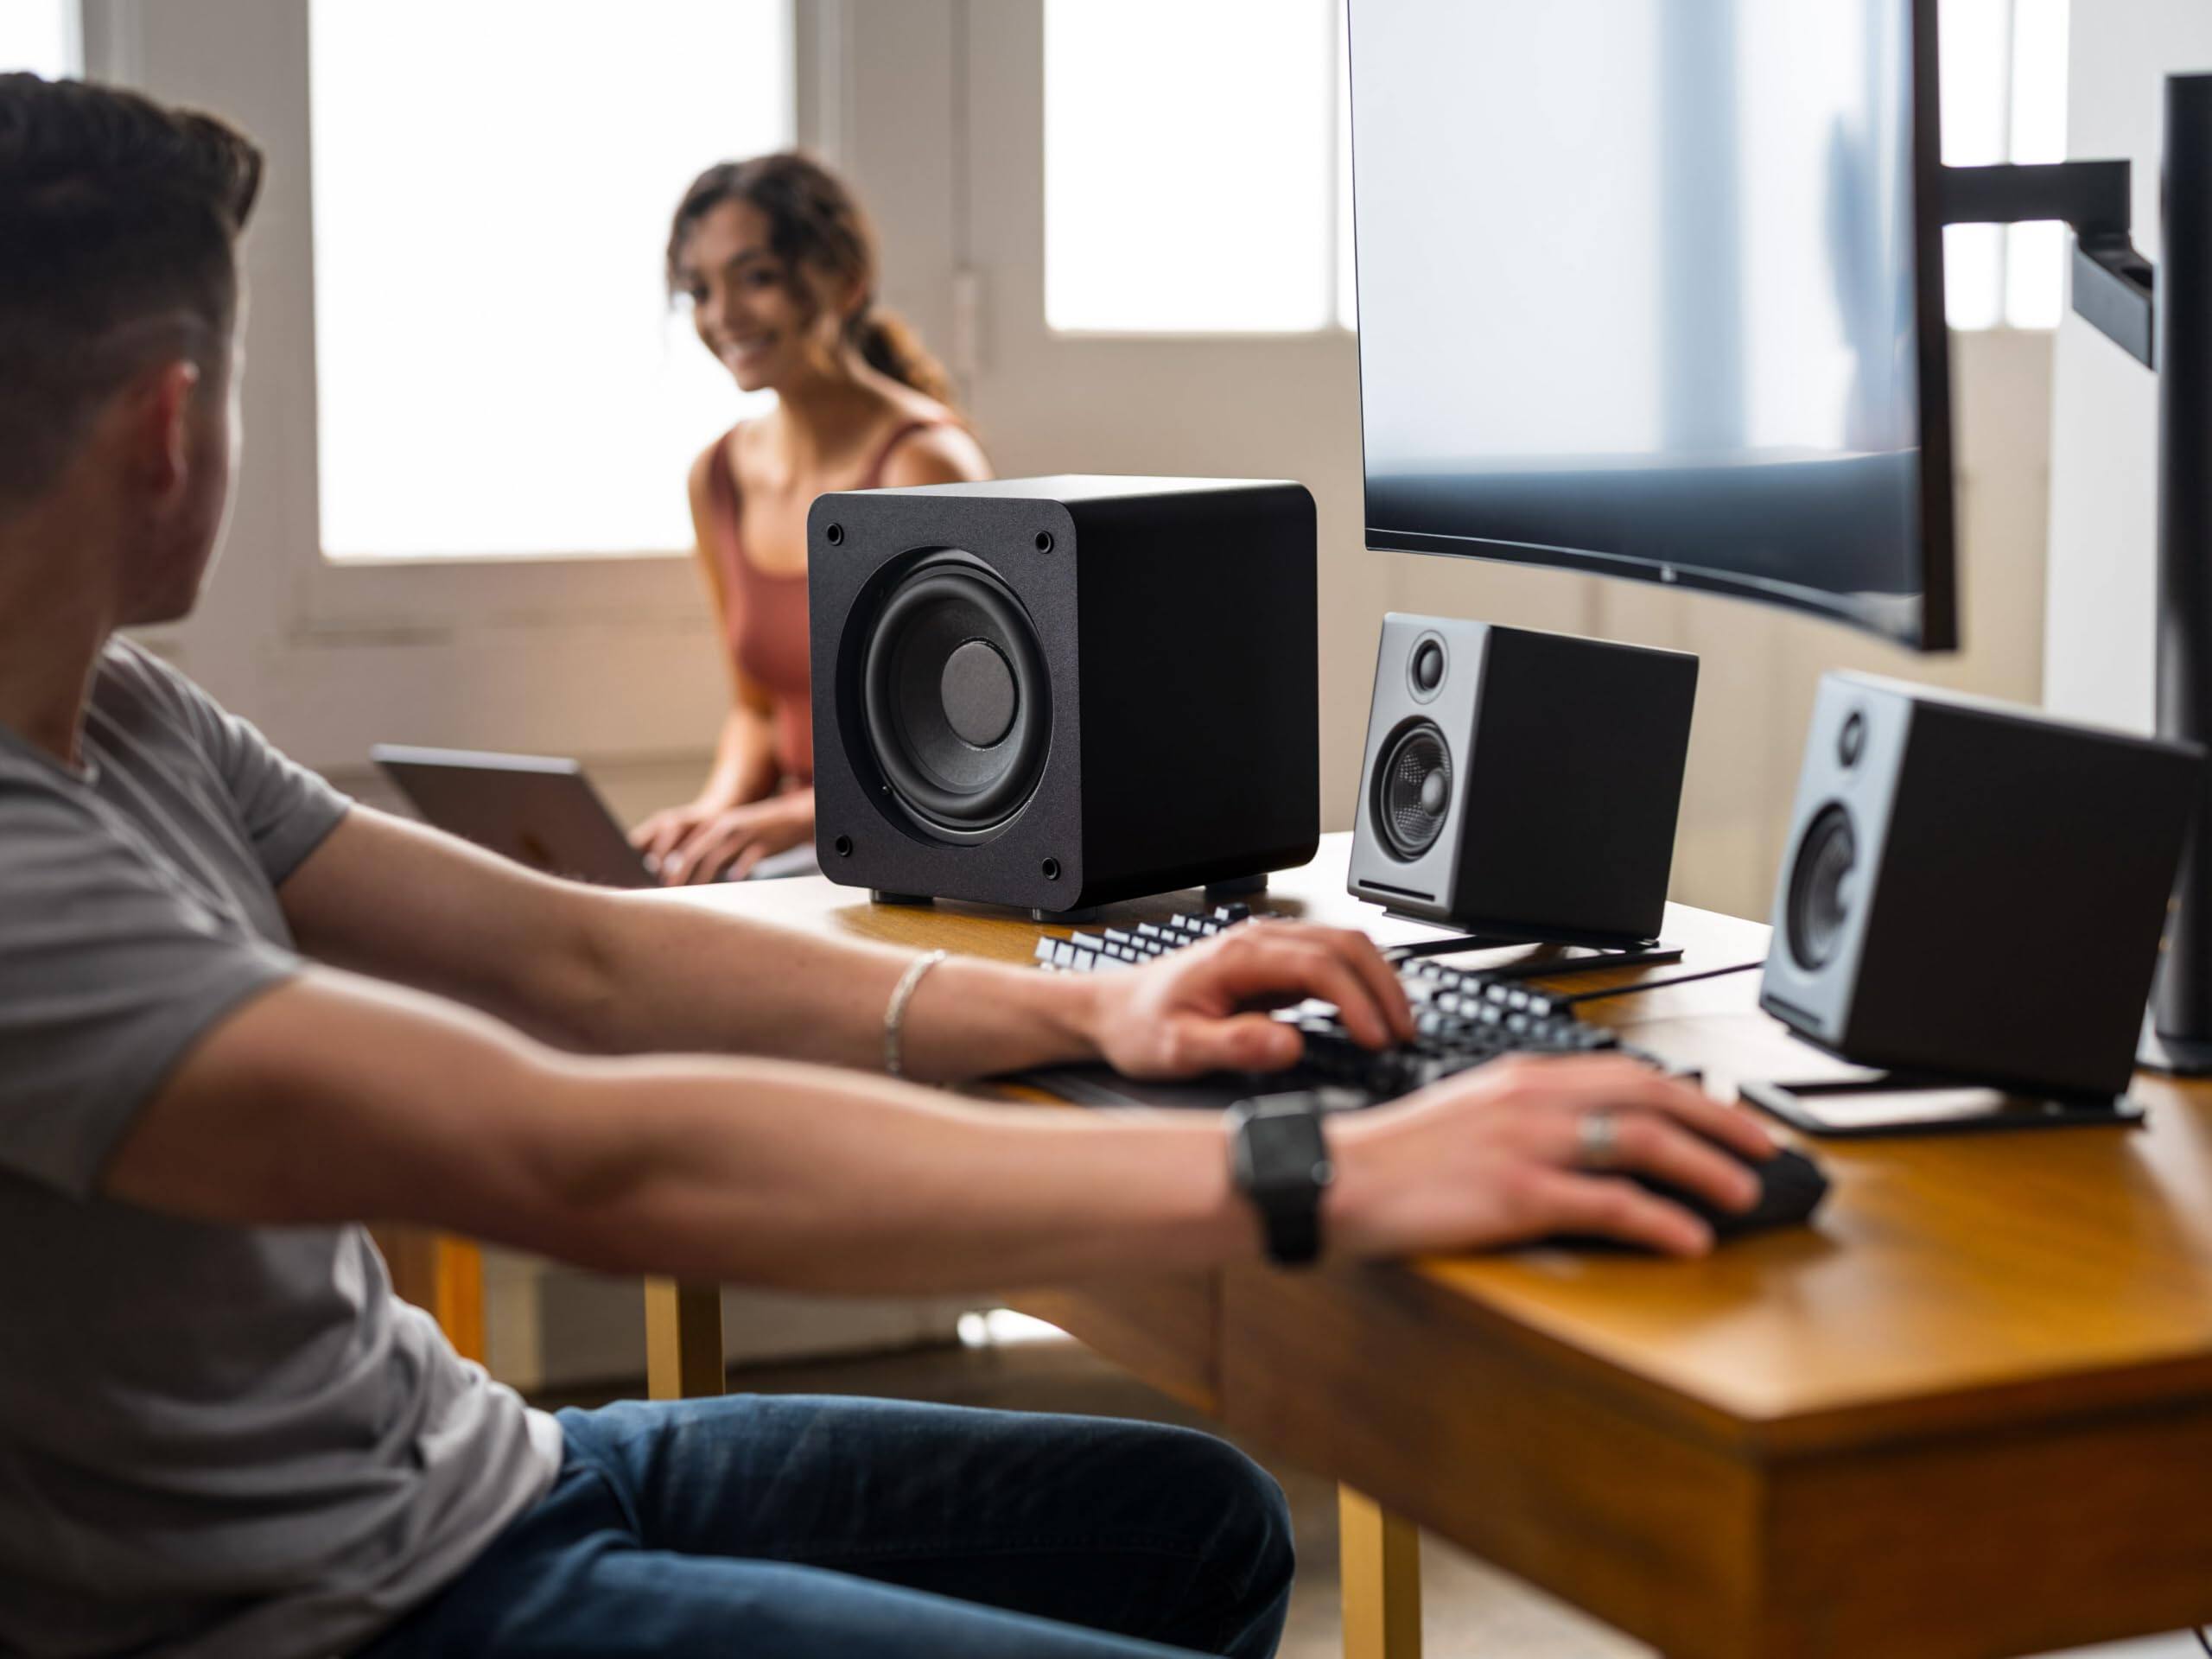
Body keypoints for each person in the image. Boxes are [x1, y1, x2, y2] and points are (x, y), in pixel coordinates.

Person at [0, 73, 1775, 1659]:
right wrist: (1318, 1172)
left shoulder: (135, 710)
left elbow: (586, 963)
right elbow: (583, 1157)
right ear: (173, 424)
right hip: (338, 1610)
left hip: (476, 1464)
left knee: (1203, 1528)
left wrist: (1104, 1010)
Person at [632, 152, 991, 885]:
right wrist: (712, 818)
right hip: (793, 858)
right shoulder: (717, 477)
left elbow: (973, 742)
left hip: (908, 856)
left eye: (755, 278)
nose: (723, 316)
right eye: (700, 290)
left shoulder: (924, 466)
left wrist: (785, 822)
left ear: (846, 281)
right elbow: (757, 712)